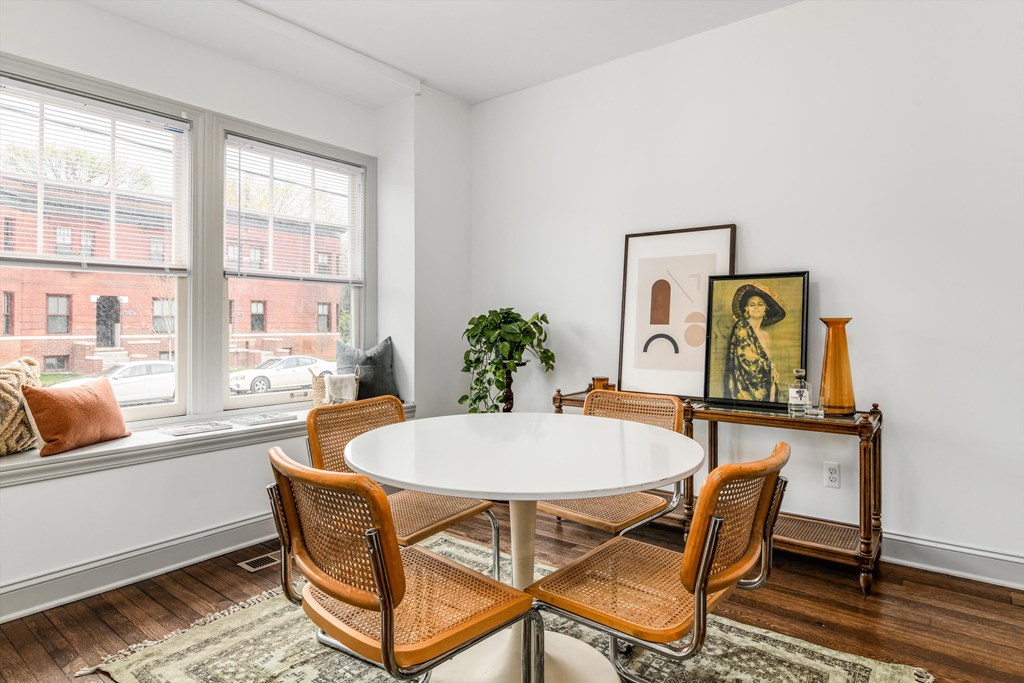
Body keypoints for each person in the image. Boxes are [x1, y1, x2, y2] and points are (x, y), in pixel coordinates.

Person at [723, 283, 787, 402]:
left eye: (760, 304)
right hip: (745, 387)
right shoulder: (742, 326)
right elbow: (747, 356)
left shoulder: (766, 335)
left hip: (768, 385)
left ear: (765, 309)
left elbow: (767, 359)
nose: (756, 307)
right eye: (752, 305)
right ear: (746, 309)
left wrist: (774, 371)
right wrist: (771, 367)